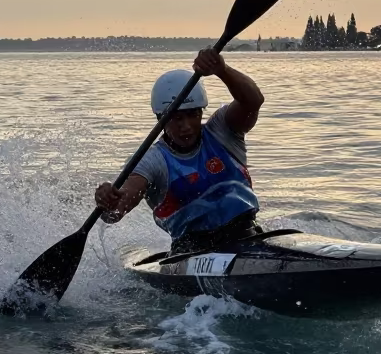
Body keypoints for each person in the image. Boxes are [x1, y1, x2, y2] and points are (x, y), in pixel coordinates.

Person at [94, 49, 264, 251]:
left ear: (201, 112)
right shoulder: (151, 160)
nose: (186, 126)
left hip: (248, 235)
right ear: (161, 120)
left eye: (192, 115)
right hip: (192, 251)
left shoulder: (222, 131)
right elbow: (116, 212)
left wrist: (222, 70)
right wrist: (109, 202)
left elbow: (253, 101)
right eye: (176, 118)